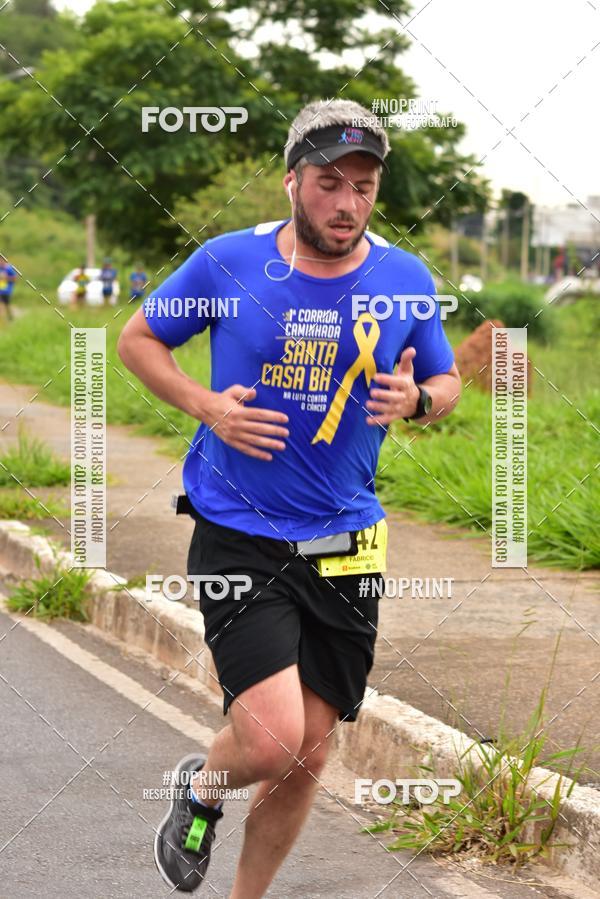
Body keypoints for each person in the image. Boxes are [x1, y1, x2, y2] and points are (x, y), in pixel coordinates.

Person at [117, 98, 461, 897]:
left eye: (365, 186)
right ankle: (202, 786)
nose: (347, 203)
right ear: (291, 181)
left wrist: (419, 400)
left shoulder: (406, 281)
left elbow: (444, 380)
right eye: (329, 182)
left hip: (347, 542)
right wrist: (206, 406)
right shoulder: (226, 262)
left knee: (311, 751)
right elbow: (139, 339)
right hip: (241, 532)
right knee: (271, 740)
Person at [0, 255, 17, 321]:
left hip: (6, 291)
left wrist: (6, 278)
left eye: (1, 260)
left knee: (6, 305)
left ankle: (10, 318)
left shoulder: (9, 268)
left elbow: (15, 278)